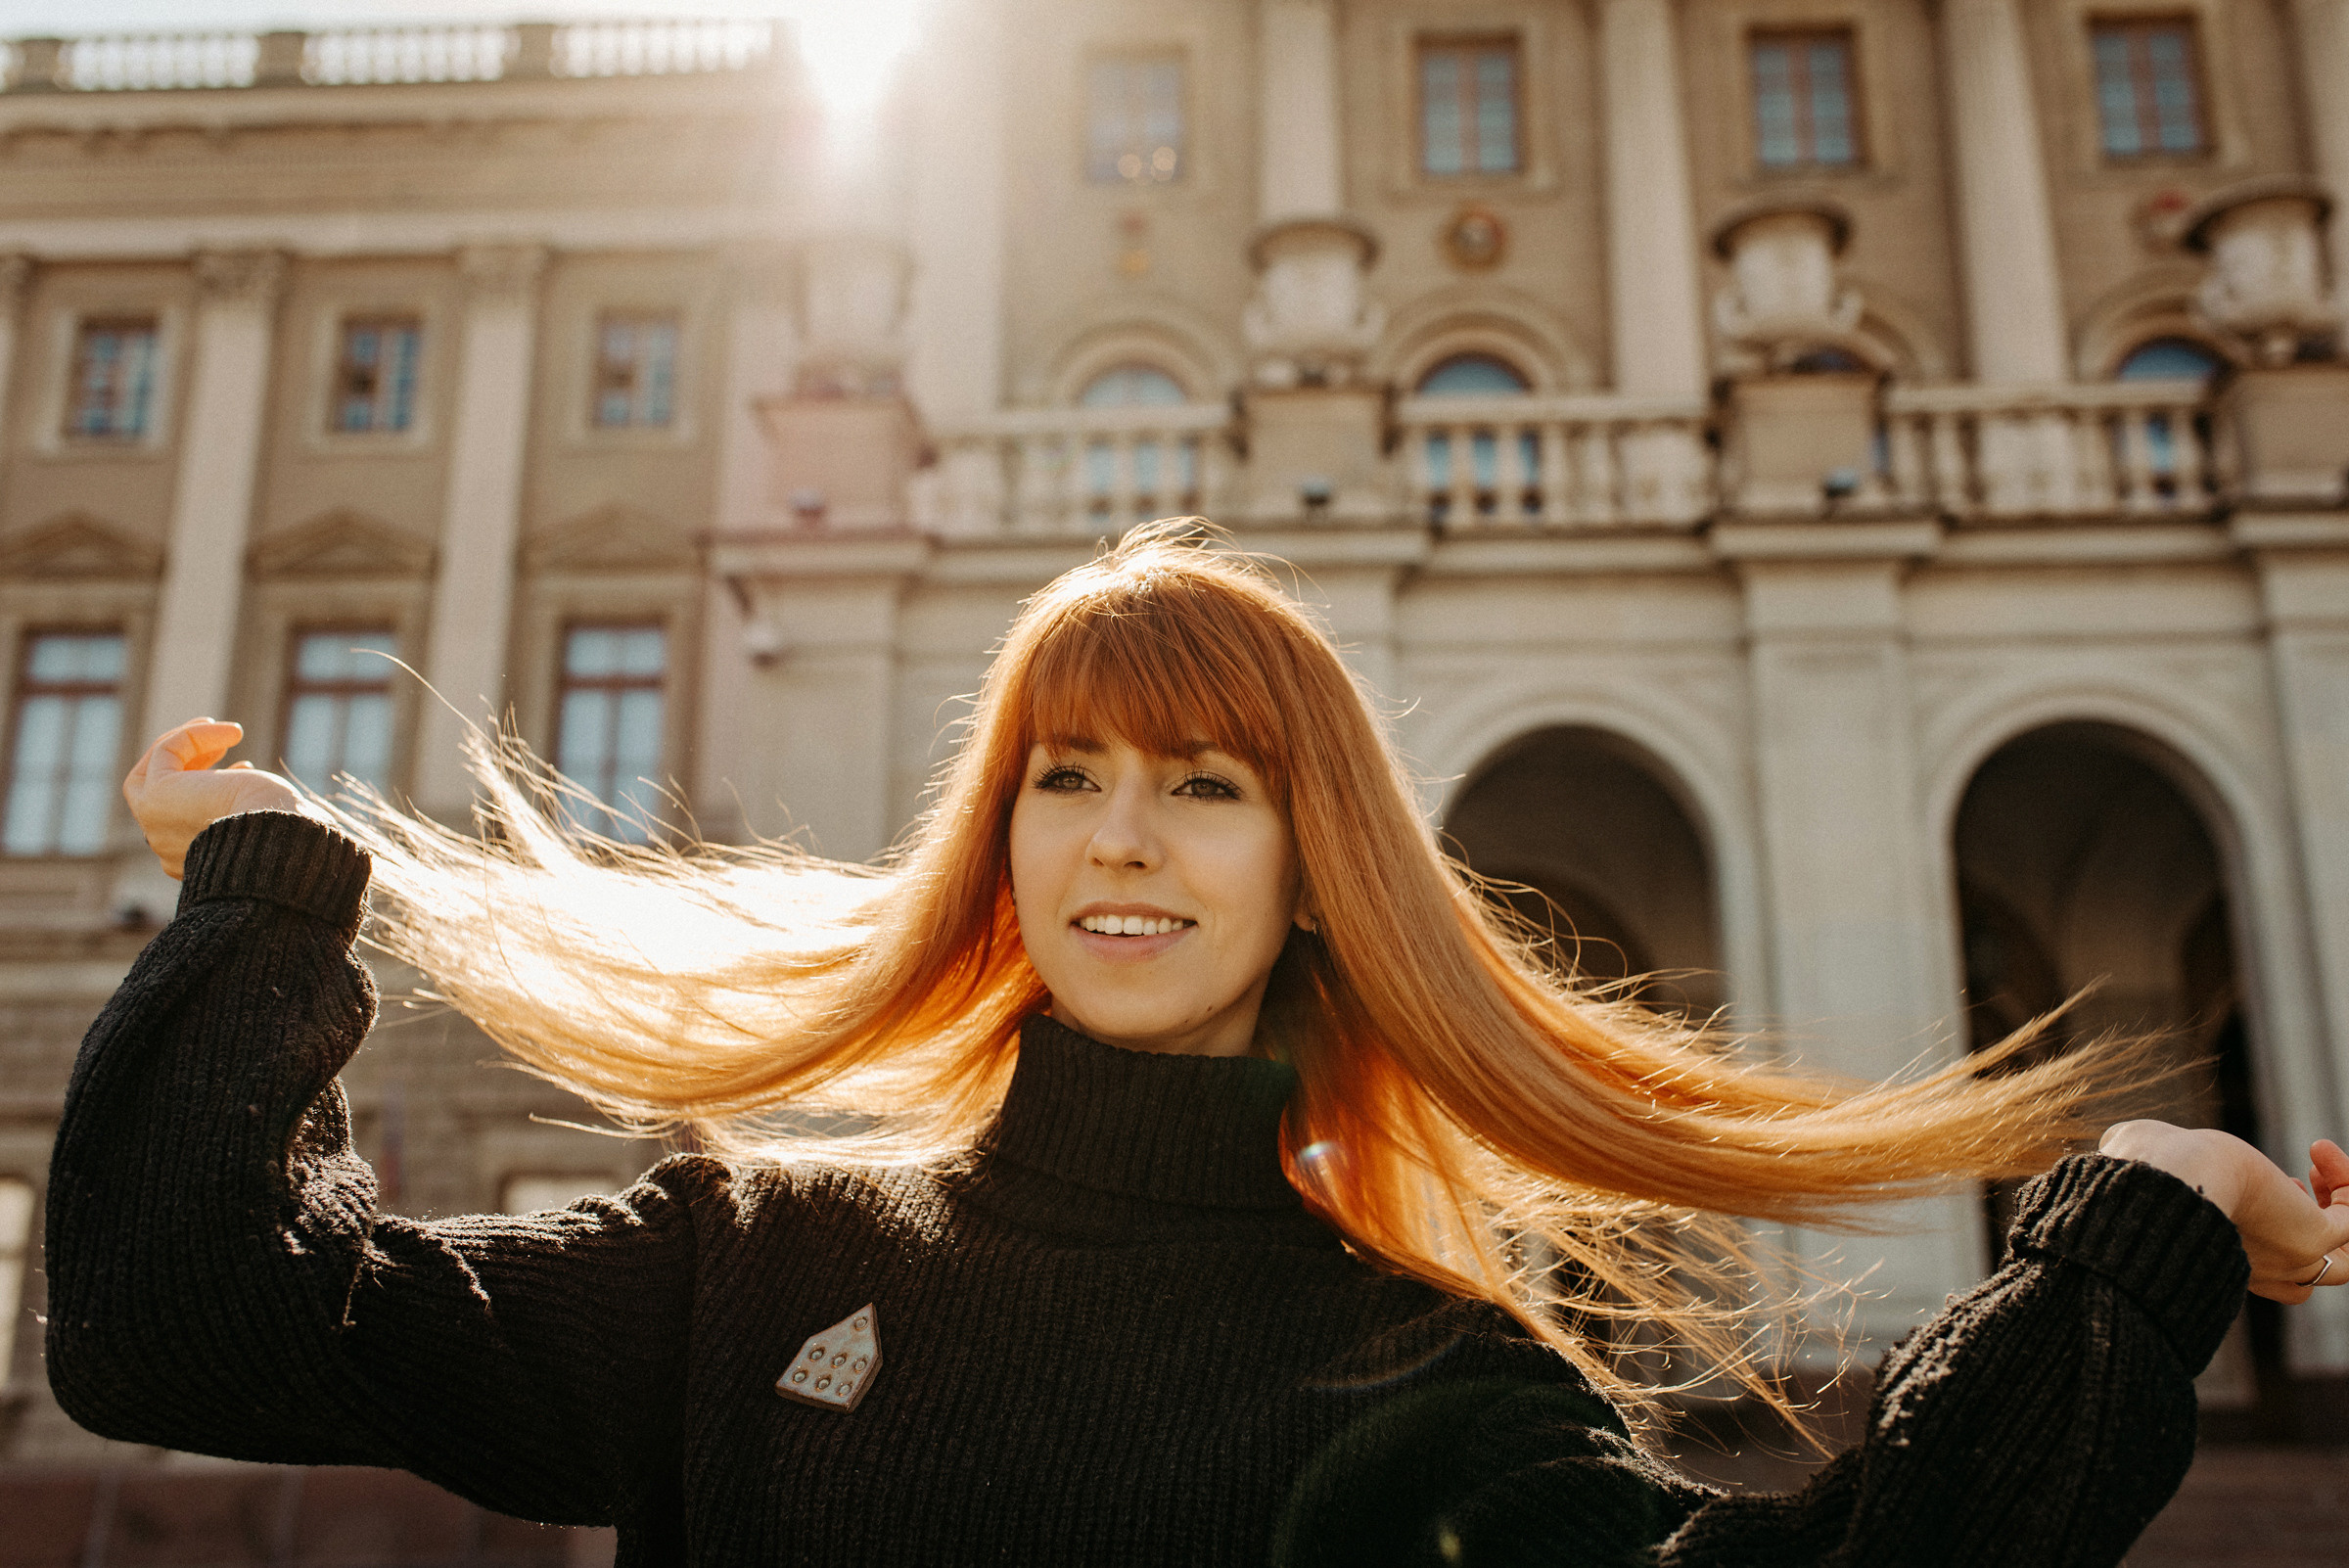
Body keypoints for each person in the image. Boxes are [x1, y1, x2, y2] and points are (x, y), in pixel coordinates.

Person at [45, 526, 2349, 1567]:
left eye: (1208, 783)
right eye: (1066, 774)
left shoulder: (1426, 1376)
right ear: (1004, 837)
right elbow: (184, 1332)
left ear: (1314, 866)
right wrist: (264, 892)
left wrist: (2130, 1236)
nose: (1122, 836)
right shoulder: (760, 1258)